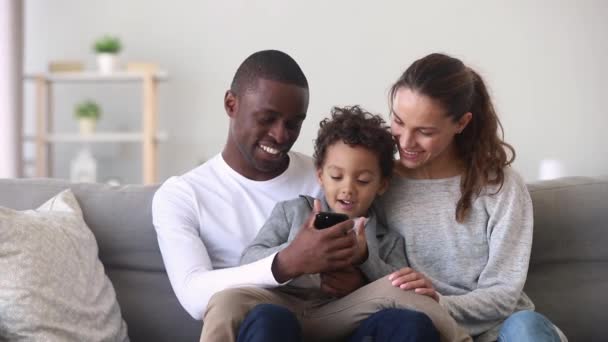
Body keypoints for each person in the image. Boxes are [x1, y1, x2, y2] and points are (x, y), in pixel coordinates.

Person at [152, 50, 468, 342]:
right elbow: (197, 298)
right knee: (247, 310)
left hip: (344, 314)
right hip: (273, 309)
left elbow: (394, 278)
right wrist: (292, 259)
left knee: (409, 316)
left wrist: (362, 269)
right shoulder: (183, 195)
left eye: (293, 123)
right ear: (231, 105)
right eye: (267, 118)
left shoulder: (335, 170)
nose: (280, 134)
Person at [379, 52, 567, 342]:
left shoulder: (499, 185)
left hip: (503, 330)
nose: (405, 141)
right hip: (429, 327)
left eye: (425, 131)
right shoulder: (379, 185)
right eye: (398, 121)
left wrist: (440, 302)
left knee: (526, 328)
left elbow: (504, 293)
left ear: (461, 123)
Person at [236, 105, 438, 342]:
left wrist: (365, 261)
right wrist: (296, 253)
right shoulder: (291, 211)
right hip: (289, 316)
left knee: (410, 323)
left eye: (363, 180)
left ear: (382, 185)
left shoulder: (388, 239)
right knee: (266, 317)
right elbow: (247, 262)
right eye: (336, 177)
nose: (348, 189)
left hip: (350, 325)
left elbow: (401, 291)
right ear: (320, 175)